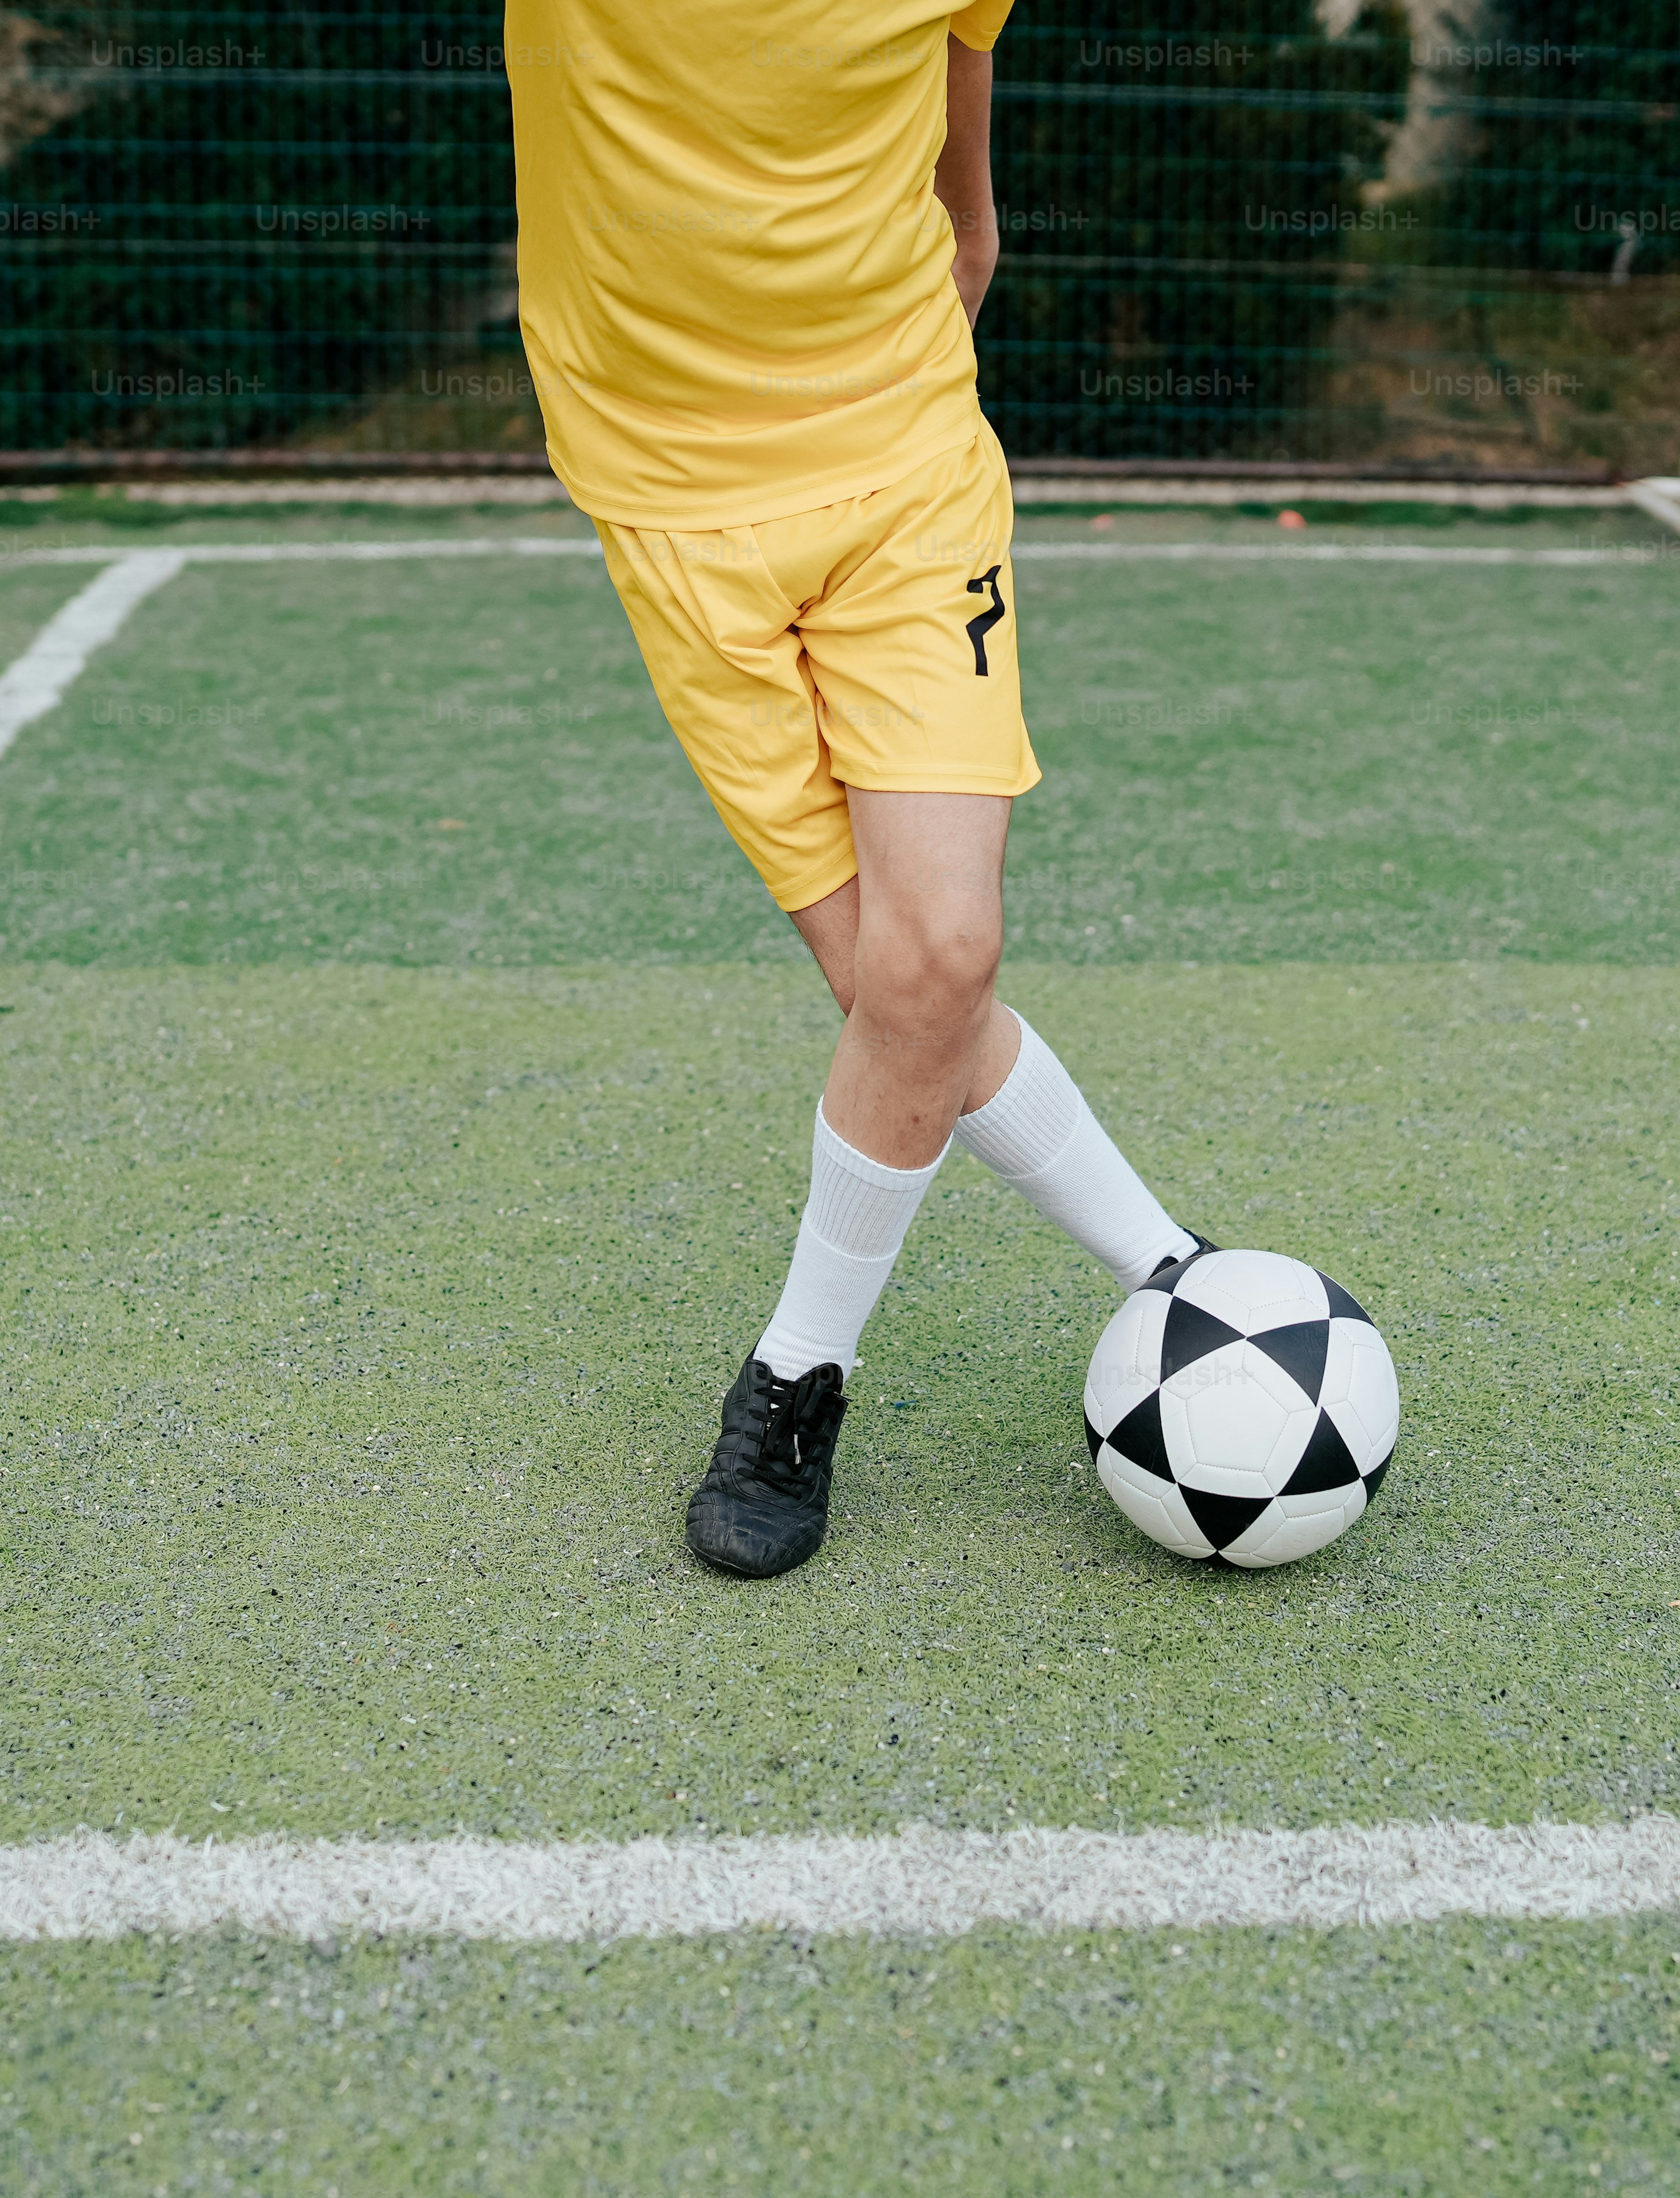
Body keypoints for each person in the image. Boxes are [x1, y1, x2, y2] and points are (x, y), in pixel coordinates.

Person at [507, 1, 1207, 1578]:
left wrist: (906, 346)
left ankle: (795, 1377)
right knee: (888, 988)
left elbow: (968, 200)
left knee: (938, 959)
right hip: (675, 509)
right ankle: (1181, 1273)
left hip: (906, 479)